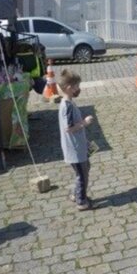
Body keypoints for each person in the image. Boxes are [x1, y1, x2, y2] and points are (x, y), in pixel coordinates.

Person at [57, 69, 95, 211]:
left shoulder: (68, 103)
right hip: (74, 148)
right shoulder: (67, 106)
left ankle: (77, 193)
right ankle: (81, 201)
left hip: (78, 145)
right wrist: (85, 122)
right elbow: (69, 128)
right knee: (82, 174)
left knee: (84, 170)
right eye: (77, 86)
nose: (79, 89)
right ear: (69, 88)